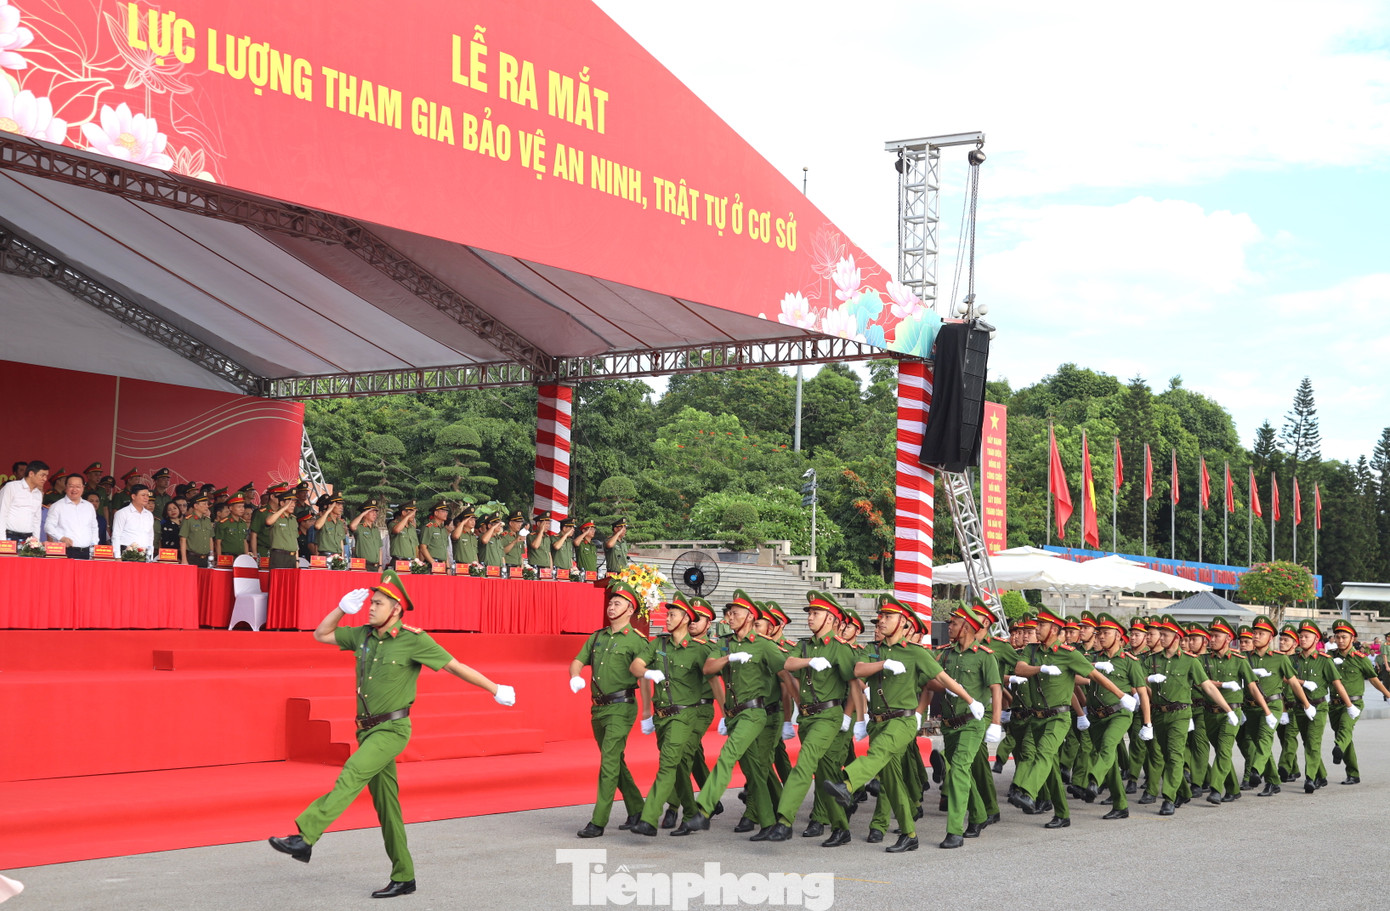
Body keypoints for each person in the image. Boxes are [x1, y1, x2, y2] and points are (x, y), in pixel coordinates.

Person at [268, 569, 515, 898]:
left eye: (378, 603)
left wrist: (494, 688)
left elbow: (454, 665)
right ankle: (404, 875)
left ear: (396, 609)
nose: (370, 607)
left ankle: (307, 836)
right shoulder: (362, 636)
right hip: (366, 731)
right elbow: (322, 634)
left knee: (352, 772)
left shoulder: (414, 640)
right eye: (371, 601)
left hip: (393, 728)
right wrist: (341, 608)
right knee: (388, 807)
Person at [818, 596, 979, 853]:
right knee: (892, 783)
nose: (881, 621)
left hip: (901, 722)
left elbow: (943, 677)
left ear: (903, 623)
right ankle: (909, 834)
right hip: (878, 722)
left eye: (888, 617)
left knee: (878, 752)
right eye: (881, 617)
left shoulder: (915, 652)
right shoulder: (875, 650)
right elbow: (857, 670)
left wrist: (970, 700)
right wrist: (881, 665)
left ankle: (847, 785)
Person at [1010, 607, 1137, 827]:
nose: (1037, 629)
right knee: (1050, 770)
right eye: (1037, 625)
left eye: (1042, 625)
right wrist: (1041, 668)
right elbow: (1019, 669)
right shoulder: (1031, 652)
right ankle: (1062, 814)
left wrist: (1121, 695)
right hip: (1036, 717)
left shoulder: (1068, 654)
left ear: (1054, 629)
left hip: (1058, 718)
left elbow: (1094, 675)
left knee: (1044, 754)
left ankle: (1027, 793)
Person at [676, 590, 785, 838]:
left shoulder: (764, 645)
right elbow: (708, 668)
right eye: (728, 613)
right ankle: (769, 823)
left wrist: (791, 713)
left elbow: (785, 672)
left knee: (727, 756)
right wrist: (730, 658)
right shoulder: (725, 644)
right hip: (734, 714)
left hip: (755, 714)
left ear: (749, 616)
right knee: (755, 771)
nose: (730, 617)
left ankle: (703, 811)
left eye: (735, 613)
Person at [627, 594, 714, 837]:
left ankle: (649, 819)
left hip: (686, 715)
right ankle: (692, 814)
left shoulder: (700, 650)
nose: (667, 618)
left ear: (686, 618)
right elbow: (635, 666)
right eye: (667, 613)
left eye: (673, 614)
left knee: (667, 765)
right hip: (662, 716)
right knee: (677, 766)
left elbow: (716, 677)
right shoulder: (659, 644)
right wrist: (647, 672)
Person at [569, 579, 648, 837]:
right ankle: (637, 808)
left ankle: (598, 821)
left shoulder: (637, 642)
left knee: (608, 763)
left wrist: (648, 712)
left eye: (618, 603)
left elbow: (646, 677)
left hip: (621, 707)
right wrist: (575, 676)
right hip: (598, 709)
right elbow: (578, 661)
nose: (611, 607)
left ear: (630, 609)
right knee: (615, 760)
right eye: (611, 602)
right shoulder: (597, 637)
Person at [1138, 615, 1240, 815]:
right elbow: (1136, 678)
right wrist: (1148, 677)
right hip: (1159, 714)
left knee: (1175, 756)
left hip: (1180, 714)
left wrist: (1228, 709)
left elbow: (1208, 687)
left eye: (1165, 635)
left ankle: (1168, 798)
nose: (1162, 638)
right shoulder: (1151, 660)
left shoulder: (1190, 662)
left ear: (1176, 637)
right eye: (1161, 635)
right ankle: (1183, 791)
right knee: (1167, 756)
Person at [933, 604, 1003, 848]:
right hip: (950, 724)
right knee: (961, 771)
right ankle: (980, 815)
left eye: (953, 623)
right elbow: (933, 681)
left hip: (973, 723)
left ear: (967, 627)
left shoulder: (985, 656)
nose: (949, 627)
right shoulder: (946, 654)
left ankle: (954, 831)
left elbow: (996, 688)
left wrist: (995, 723)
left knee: (959, 769)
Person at [1290, 620, 1358, 794]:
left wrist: (1349, 705)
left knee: (1313, 742)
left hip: (1318, 707)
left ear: (1316, 639)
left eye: (1307, 636)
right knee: (1307, 743)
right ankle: (1321, 774)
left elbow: (1338, 684)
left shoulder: (1325, 661)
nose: (1302, 639)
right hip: (1299, 707)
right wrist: (1303, 682)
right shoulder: (1293, 660)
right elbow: (1284, 677)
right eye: (1301, 636)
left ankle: (1310, 778)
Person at [1325, 620, 1389, 785]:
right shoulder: (1329, 657)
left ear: (1352, 638)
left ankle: (1337, 747)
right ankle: (1353, 774)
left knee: (1344, 731)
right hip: (1333, 704)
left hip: (1353, 704)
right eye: (1337, 637)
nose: (1340, 640)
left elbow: (1374, 680)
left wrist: (1387, 694)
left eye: (1344, 637)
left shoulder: (1360, 659)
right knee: (1346, 738)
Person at [44, 473, 99, 559]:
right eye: (71, 486)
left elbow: (94, 527)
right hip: (66, 551)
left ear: (83, 488)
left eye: (78, 486)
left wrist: (94, 544)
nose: (74, 489)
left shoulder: (89, 506)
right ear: (66, 487)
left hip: (86, 552)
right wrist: (61, 538)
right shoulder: (57, 506)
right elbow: (48, 526)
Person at [0, 460, 48, 541]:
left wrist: (36, 541)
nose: (45, 479)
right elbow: (1, 514)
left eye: (46, 476)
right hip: (9, 536)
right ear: (31, 474)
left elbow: (37, 519)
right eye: (42, 475)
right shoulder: (11, 487)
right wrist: (2, 540)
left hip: (29, 538)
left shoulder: (38, 494)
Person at [110, 483, 156, 558]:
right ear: (133, 496)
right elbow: (116, 535)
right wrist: (117, 556)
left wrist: (150, 556)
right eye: (143, 495)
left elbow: (150, 536)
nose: (146, 498)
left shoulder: (149, 515)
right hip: (126, 553)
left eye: (147, 495)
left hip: (144, 554)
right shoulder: (122, 513)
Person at [263, 488, 301, 569]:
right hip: (279, 556)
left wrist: (297, 560)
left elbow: (295, 541)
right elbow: (269, 522)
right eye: (290, 502)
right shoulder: (274, 516)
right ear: (282, 503)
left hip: (292, 557)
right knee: (278, 580)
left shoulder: (293, 519)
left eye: (294, 502)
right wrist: (283, 508)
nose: (293, 505)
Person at [179, 493, 214, 566]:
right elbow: (183, 540)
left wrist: (212, 557)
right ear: (196, 506)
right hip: (192, 557)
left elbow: (210, 539)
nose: (207, 506)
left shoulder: (207, 520)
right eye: (204, 504)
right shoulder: (188, 520)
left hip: (206, 558)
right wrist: (184, 559)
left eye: (207, 504)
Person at [350, 499, 385, 571]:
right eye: (371, 512)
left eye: (375, 512)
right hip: (363, 566)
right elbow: (352, 526)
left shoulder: (375, 529)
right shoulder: (360, 527)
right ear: (365, 513)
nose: (375, 514)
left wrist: (380, 566)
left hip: (376, 566)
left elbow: (379, 549)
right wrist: (362, 514)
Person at [214, 495, 251, 560]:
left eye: (243, 506)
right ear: (231, 508)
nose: (242, 509)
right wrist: (219, 559)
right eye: (239, 507)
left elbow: (244, 541)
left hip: (241, 558)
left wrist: (246, 557)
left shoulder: (243, 523)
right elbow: (218, 543)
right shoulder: (223, 523)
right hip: (227, 558)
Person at [417, 501, 451, 569]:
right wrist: (433, 563)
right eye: (443, 511)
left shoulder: (443, 530)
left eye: (446, 512)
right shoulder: (429, 527)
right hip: (432, 564)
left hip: (442, 565)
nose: (446, 513)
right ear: (436, 513)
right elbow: (423, 548)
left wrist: (448, 566)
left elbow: (445, 550)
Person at [388, 501, 419, 565]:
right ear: (404, 512)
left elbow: (416, 546)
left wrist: (417, 561)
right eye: (411, 512)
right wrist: (407, 517)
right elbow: (396, 530)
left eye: (414, 512)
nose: (413, 514)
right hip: (399, 562)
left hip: (411, 563)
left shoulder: (412, 527)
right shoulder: (393, 524)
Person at [449, 504, 478, 570]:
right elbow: (455, 536)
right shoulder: (459, 533)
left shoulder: (473, 536)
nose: (473, 522)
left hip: (473, 567)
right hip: (461, 566)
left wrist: (478, 565)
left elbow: (475, 553)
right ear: (464, 521)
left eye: (474, 520)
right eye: (470, 520)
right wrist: (462, 523)